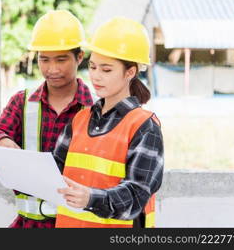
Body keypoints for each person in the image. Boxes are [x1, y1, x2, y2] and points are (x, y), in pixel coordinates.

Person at [0, 10, 94, 228]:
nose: (52, 69)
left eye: (61, 60)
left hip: (78, 225)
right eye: (44, 59)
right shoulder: (23, 103)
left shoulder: (99, 108)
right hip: (29, 225)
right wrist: (2, 149)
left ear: (79, 57)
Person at [53, 17, 164, 228]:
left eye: (106, 70)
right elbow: (52, 174)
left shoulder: (145, 127)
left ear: (130, 72)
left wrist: (90, 198)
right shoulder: (80, 119)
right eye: (92, 67)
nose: (96, 76)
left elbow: (136, 195)